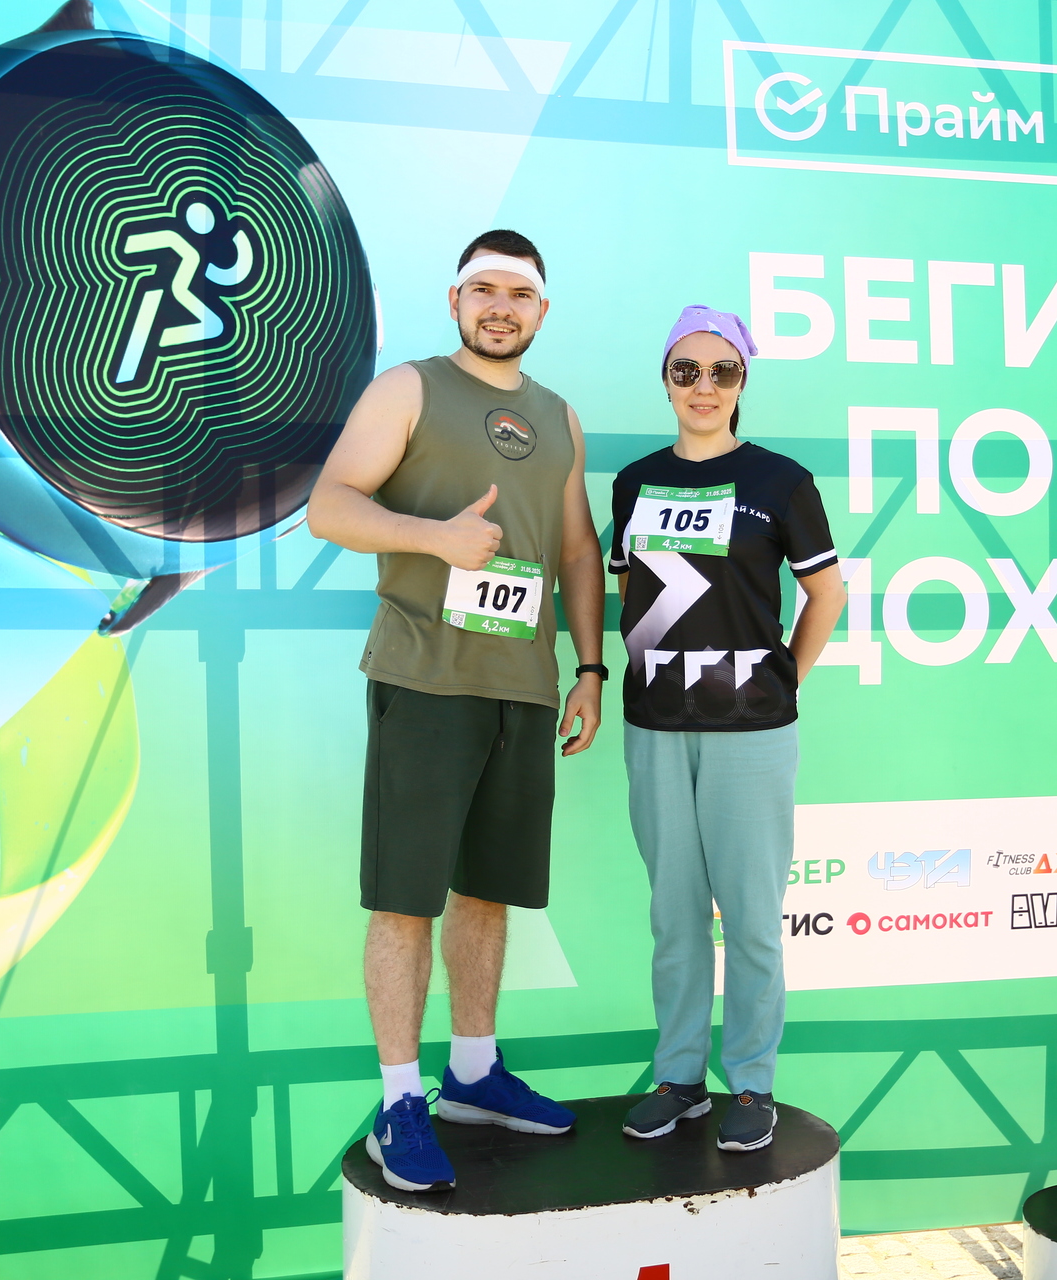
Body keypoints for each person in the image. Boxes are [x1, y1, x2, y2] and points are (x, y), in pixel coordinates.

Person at [307, 231, 606, 1192]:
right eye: (484, 289)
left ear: (542, 310)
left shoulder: (560, 416)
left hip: (523, 685)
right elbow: (328, 506)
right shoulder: (409, 388)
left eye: (518, 292)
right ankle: (401, 1100)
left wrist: (589, 667)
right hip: (424, 678)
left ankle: (473, 1073)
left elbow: (576, 551)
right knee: (405, 898)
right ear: (455, 300)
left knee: (487, 891)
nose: (500, 306)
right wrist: (434, 537)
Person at [610, 305, 846, 1153]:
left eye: (722, 371)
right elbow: (630, 591)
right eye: (687, 371)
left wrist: (784, 679)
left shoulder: (781, 481)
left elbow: (827, 594)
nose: (704, 387)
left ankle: (751, 1082)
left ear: (743, 381)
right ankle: (680, 1078)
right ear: (666, 381)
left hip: (752, 731)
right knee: (674, 917)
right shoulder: (634, 482)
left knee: (749, 918)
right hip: (655, 724)